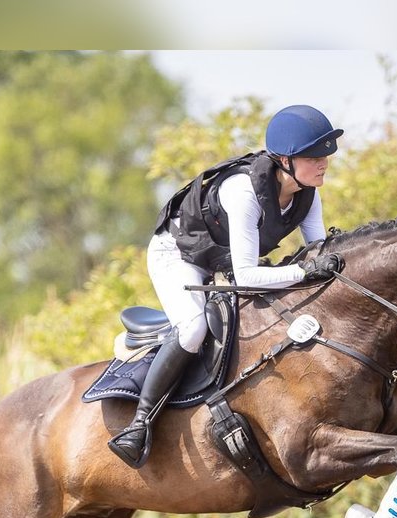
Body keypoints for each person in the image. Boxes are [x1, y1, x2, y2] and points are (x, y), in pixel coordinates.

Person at [107, 104, 347, 468]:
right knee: (193, 328)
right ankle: (139, 425)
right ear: (284, 160)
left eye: (325, 154)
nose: (324, 162)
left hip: (220, 261)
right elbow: (250, 275)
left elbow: (317, 252)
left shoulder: (307, 193)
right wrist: (304, 273)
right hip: (178, 254)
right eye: (314, 156)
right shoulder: (244, 192)